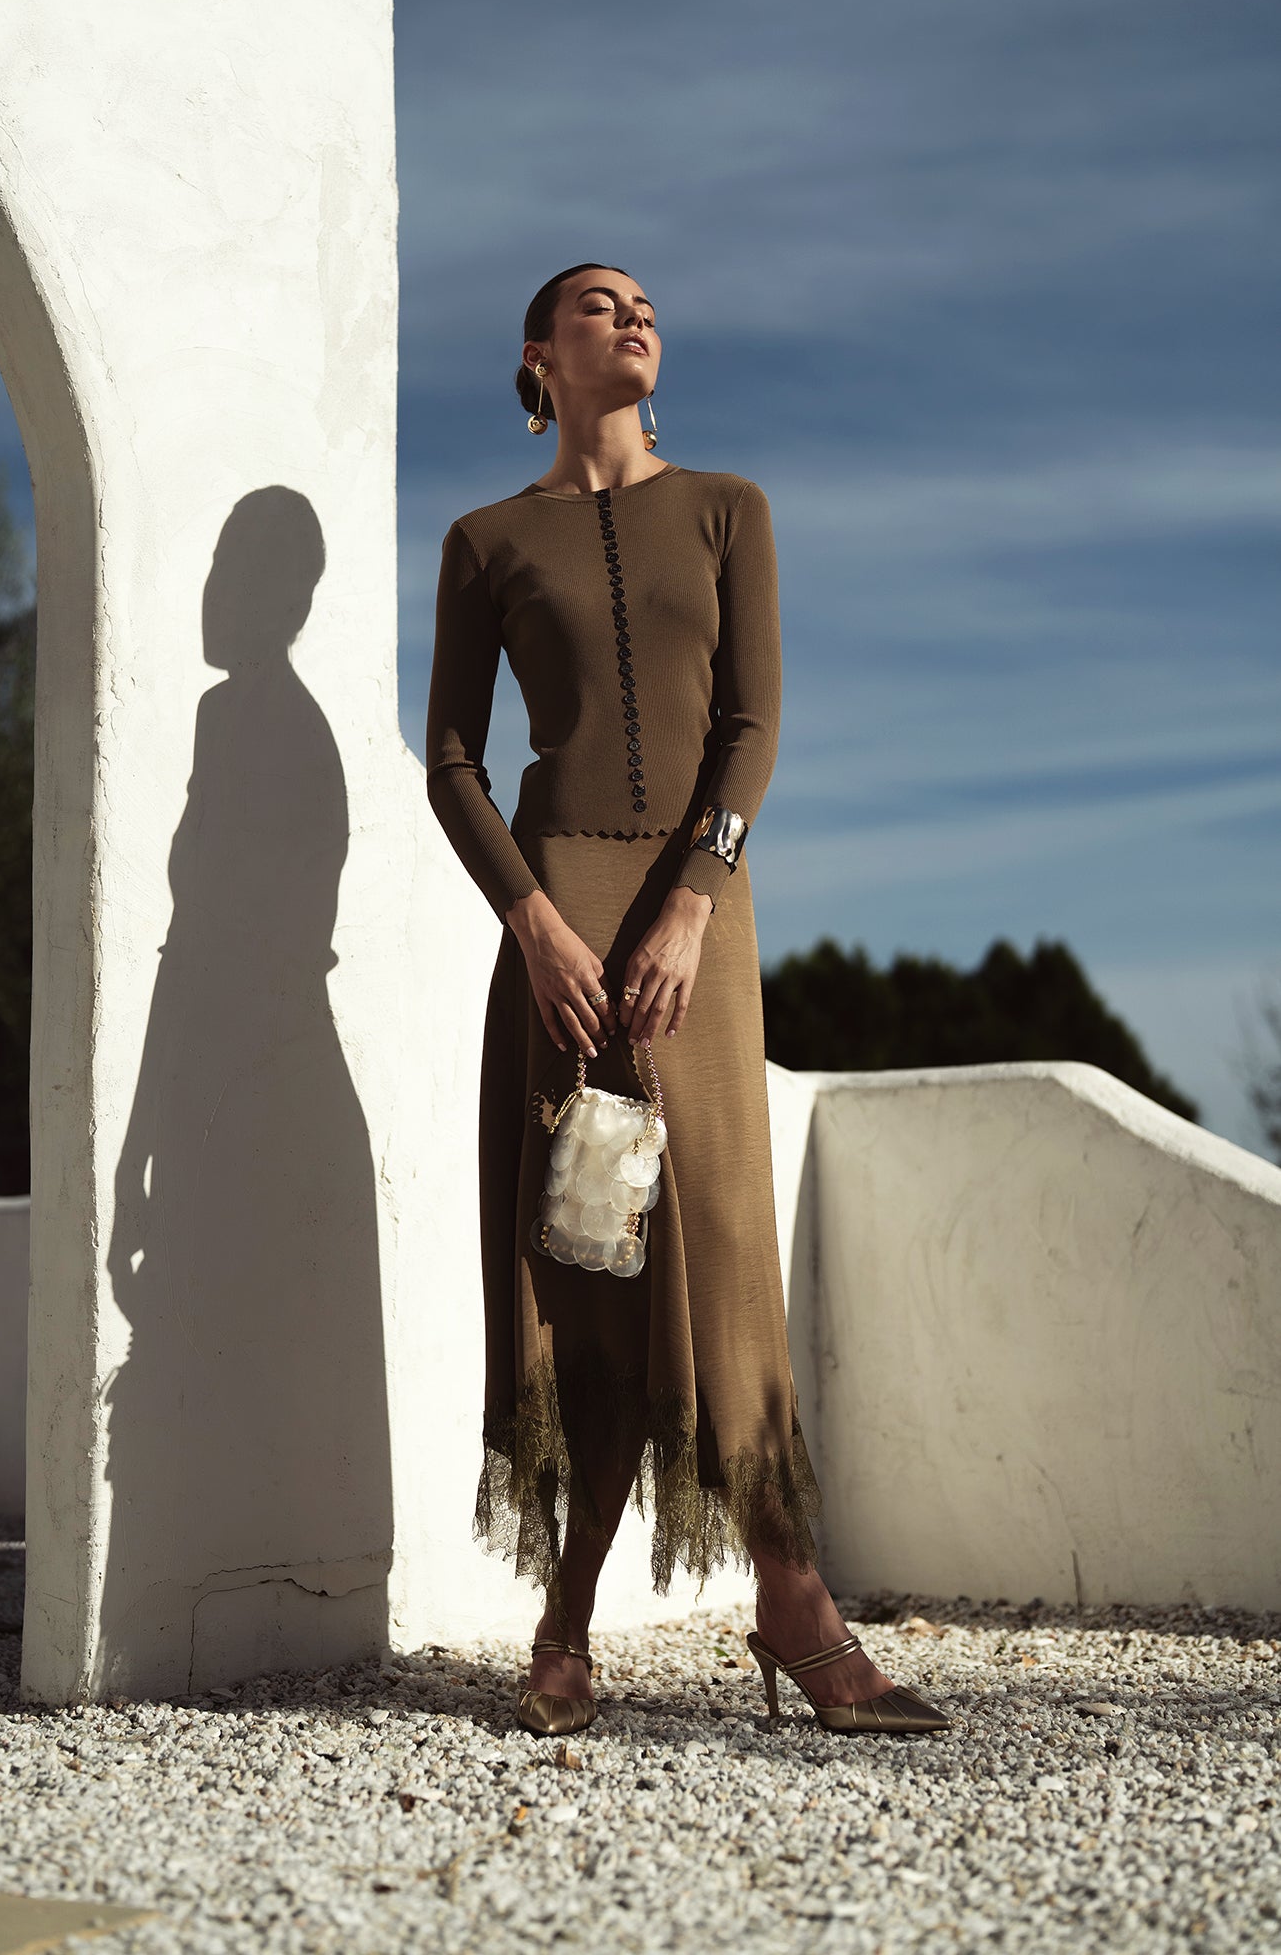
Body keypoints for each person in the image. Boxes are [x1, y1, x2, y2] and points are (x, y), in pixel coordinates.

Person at [424, 263, 950, 1739]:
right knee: (590, 1252)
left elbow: (751, 720)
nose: (634, 317)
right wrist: (532, 921)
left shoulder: (728, 509)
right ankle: (565, 1617)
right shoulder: (483, 541)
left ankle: (793, 1601)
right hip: (557, 922)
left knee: (717, 1242)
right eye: (599, 305)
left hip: (694, 917)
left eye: (645, 304)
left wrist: (695, 897)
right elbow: (451, 761)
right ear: (542, 355)